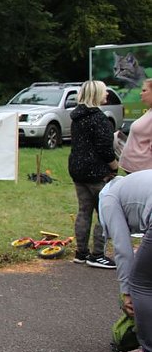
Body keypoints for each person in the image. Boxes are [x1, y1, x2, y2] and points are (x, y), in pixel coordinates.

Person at [98, 170, 152, 352]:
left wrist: (126, 291)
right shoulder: (129, 184)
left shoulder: (108, 200)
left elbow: (122, 250)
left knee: (141, 284)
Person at [68, 80, 118, 269]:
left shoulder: (76, 117)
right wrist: (114, 166)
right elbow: (106, 149)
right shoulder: (99, 119)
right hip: (97, 172)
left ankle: (81, 252)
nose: (107, 95)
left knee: (84, 210)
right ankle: (97, 254)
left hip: (78, 170)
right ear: (97, 95)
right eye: (104, 92)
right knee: (103, 214)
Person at [119, 78, 152, 173]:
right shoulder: (149, 111)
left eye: (144, 90)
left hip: (143, 171)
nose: (141, 93)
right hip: (136, 169)